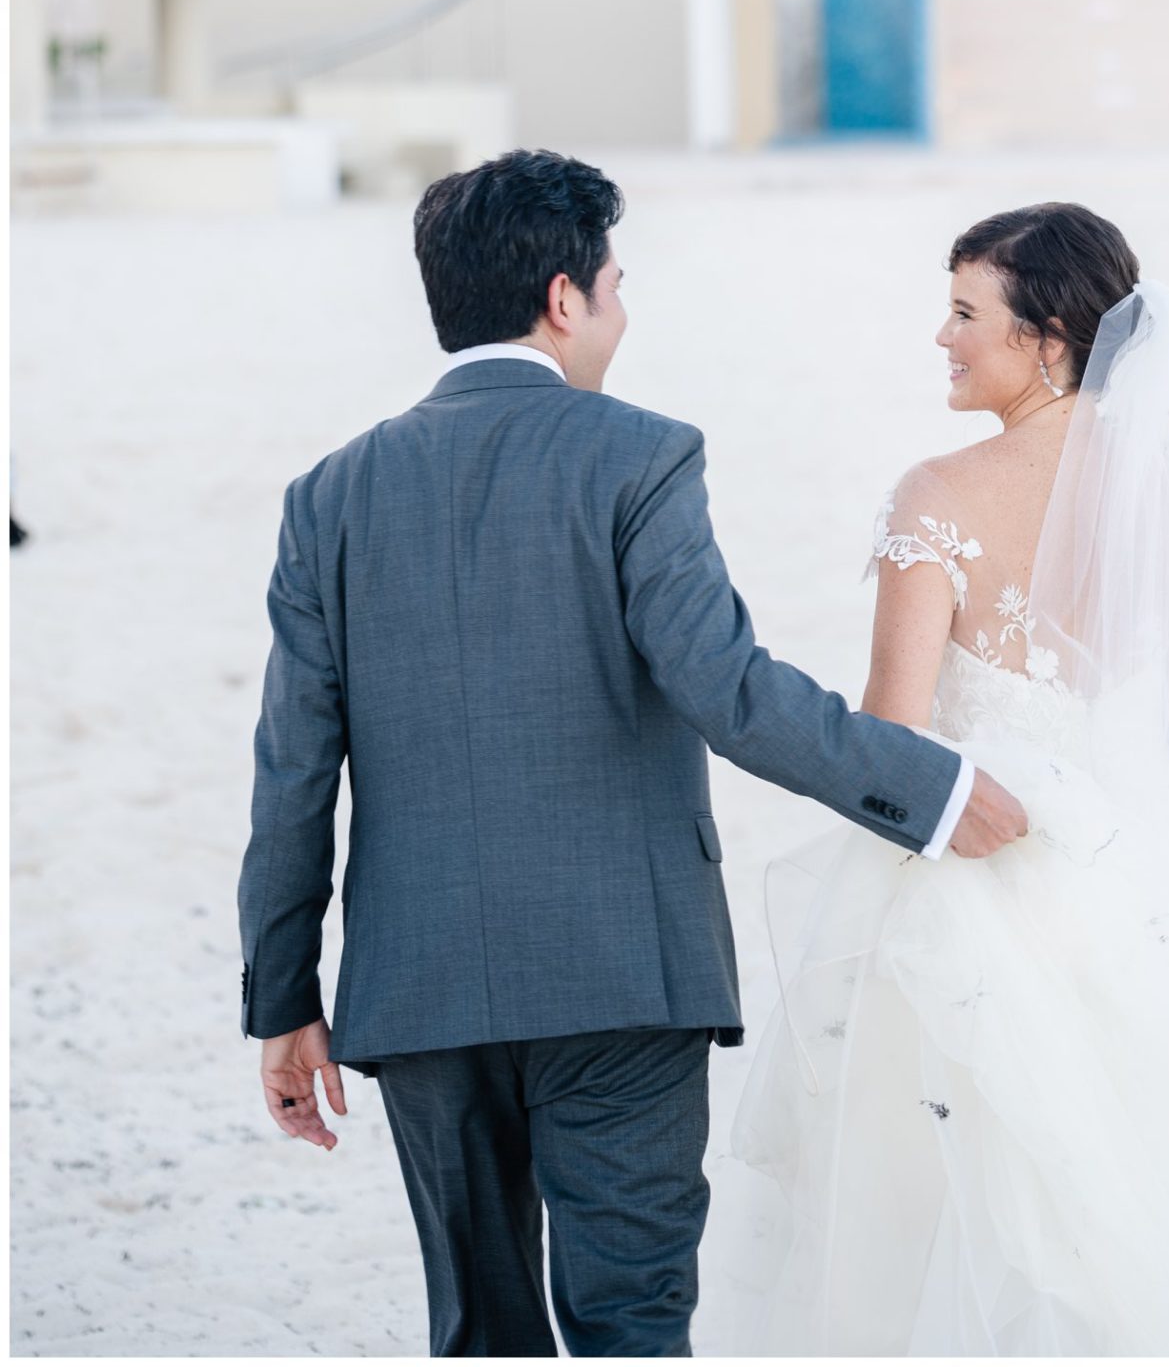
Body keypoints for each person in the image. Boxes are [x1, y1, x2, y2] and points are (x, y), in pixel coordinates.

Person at [236, 150, 1026, 1359]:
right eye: (615, 281)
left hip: (418, 984)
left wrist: (282, 999)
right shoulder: (639, 454)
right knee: (633, 1322)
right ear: (566, 299)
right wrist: (933, 787)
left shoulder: (327, 495)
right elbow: (729, 689)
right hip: (621, 972)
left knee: (480, 1334)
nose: (621, 306)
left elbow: (292, 771)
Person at [720, 202, 1169, 1355]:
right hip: (1143, 913)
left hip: (977, 901)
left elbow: (892, 734)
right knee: (1126, 1212)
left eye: (967, 312)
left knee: (941, 1212)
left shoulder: (938, 494)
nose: (942, 335)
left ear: (1051, 335)